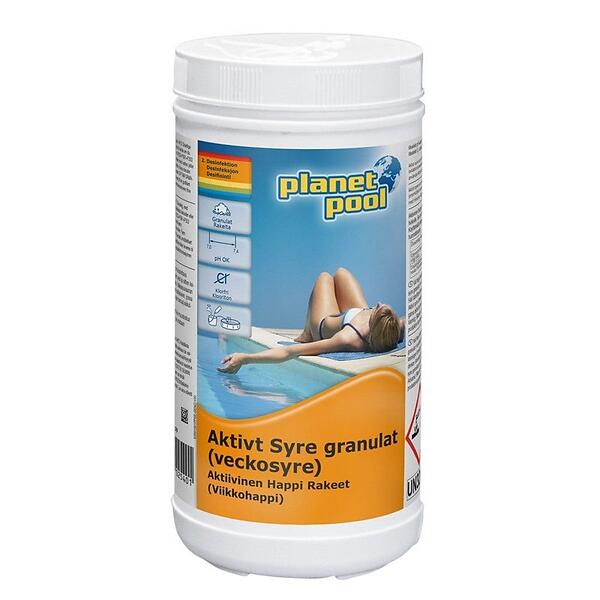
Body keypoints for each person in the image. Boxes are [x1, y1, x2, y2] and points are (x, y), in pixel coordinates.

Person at [218, 267, 404, 374]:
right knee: (341, 273)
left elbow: (290, 352)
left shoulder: (347, 338)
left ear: (372, 325)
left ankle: (307, 332)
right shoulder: (395, 328)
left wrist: (245, 358)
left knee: (325, 277)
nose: (378, 303)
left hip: (323, 325)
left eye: (376, 309)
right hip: (354, 315)